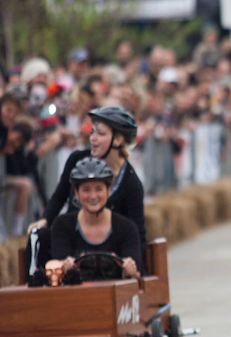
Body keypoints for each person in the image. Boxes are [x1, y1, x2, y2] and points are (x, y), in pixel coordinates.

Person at [26, 105, 146, 269]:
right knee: (37, 237)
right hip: (71, 241)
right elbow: (60, 195)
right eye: (92, 131)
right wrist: (45, 219)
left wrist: (136, 268)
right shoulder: (77, 160)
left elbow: (137, 232)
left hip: (108, 251)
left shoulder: (131, 183)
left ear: (118, 140)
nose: (92, 138)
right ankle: (34, 289)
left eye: (101, 133)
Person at [49, 157, 142, 280]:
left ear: (108, 191)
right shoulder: (62, 225)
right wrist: (64, 266)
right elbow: (56, 273)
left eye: (99, 189)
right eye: (86, 190)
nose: (93, 196)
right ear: (76, 193)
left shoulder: (126, 227)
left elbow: (138, 276)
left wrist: (130, 270)